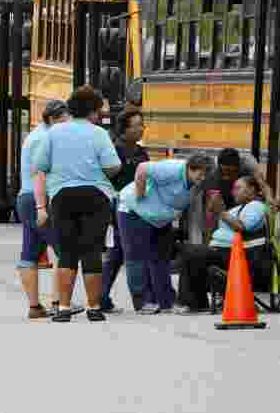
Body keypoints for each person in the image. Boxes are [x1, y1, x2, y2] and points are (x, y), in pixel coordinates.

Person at [33, 86, 121, 322]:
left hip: (62, 196)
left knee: (68, 253)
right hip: (95, 196)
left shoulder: (54, 133)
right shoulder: (99, 134)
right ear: (92, 111)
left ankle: (63, 308)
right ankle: (93, 307)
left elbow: (40, 164)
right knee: (92, 251)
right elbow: (113, 165)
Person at [116, 153, 213, 314]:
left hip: (159, 218)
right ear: (189, 168)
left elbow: (191, 208)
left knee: (161, 258)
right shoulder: (173, 169)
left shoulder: (199, 184)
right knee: (136, 257)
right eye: (200, 173)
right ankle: (143, 302)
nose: (202, 178)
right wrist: (140, 194)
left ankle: (166, 301)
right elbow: (142, 168)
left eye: (206, 174)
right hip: (134, 211)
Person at [176, 175, 271, 314]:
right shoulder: (236, 209)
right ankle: (195, 302)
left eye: (238, 188)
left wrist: (221, 211)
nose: (234, 192)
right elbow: (214, 233)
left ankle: (192, 302)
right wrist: (211, 211)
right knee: (189, 253)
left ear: (252, 189)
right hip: (221, 251)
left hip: (238, 255)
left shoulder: (256, 206)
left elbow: (241, 227)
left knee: (189, 252)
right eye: (233, 189)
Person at [16, 99, 71, 319]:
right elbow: (42, 173)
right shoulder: (45, 139)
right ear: (53, 119)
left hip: (26, 198)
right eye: (65, 119)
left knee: (29, 253)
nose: (68, 124)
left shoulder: (36, 135)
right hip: (39, 199)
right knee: (63, 250)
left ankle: (35, 307)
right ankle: (59, 303)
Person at [100, 108, 152, 314]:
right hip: (119, 208)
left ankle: (101, 298)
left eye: (142, 124)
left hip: (138, 209)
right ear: (124, 129)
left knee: (118, 253)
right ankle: (141, 301)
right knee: (131, 254)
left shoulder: (141, 152)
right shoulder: (114, 151)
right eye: (137, 125)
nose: (142, 129)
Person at [189, 148, 279, 244]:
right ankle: (208, 246)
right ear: (219, 167)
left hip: (241, 194)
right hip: (219, 190)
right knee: (209, 210)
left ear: (238, 166)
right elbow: (197, 192)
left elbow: (262, 183)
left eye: (231, 172)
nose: (227, 176)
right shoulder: (212, 170)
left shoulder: (248, 163)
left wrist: (270, 199)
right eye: (224, 172)